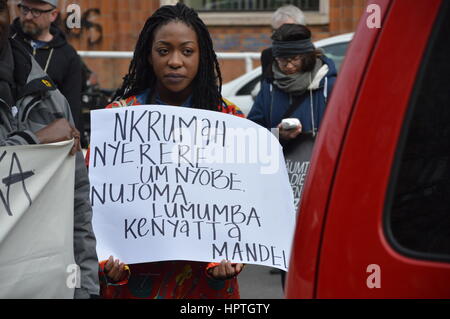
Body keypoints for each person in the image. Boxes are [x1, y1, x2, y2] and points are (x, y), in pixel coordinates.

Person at [92, 3, 245, 299]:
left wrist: (232, 257)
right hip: (135, 280)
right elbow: (96, 202)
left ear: (203, 57)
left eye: (187, 51)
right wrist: (105, 259)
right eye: (164, 51)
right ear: (149, 56)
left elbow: (245, 203)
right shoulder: (119, 119)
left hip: (206, 283)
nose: (175, 61)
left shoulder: (230, 120)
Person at [0, 0, 99, 298]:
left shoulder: (51, 95)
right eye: (27, 8)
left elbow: (78, 204)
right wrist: (35, 141)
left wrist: (87, 287)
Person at [248, 23, 336, 140]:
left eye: (295, 59)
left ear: (307, 56)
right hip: (280, 157)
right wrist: (277, 134)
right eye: (283, 60)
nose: (289, 66)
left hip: (319, 156)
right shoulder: (269, 87)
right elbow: (252, 132)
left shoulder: (329, 85)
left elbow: (343, 129)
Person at [10, 0, 83, 135]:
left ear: (53, 15)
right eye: (25, 9)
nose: (28, 16)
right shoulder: (7, 41)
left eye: (36, 12)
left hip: (46, 136)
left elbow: (72, 106)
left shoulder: (67, 55)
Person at [261, 5, 306, 80]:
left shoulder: (312, 55)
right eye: (277, 32)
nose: (282, 36)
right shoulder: (268, 55)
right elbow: (266, 84)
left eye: (289, 31)